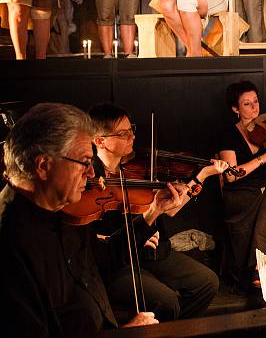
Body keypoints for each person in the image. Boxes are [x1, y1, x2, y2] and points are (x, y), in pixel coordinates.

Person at [0, 103, 157, 333]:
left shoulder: (64, 210)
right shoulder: (11, 244)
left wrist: (152, 213)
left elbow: (102, 260)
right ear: (43, 165)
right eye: (84, 162)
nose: (93, 173)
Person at [88, 103, 222, 321]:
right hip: (119, 260)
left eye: (131, 129)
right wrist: (133, 232)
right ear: (100, 141)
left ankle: (172, 328)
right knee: (168, 302)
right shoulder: (90, 177)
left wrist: (202, 176)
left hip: (151, 252)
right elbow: (90, 237)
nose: (132, 137)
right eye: (123, 134)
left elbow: (170, 210)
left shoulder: (138, 169)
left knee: (208, 282)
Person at [217, 81, 266, 294]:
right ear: (235, 109)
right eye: (247, 104)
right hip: (240, 193)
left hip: (264, 189)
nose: (254, 108)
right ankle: (262, 265)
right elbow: (230, 175)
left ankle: (259, 266)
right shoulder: (228, 134)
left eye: (256, 101)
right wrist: (263, 159)